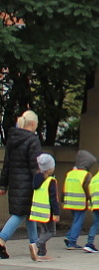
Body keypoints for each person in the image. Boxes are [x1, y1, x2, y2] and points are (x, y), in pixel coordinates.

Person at [0, 110, 45, 259]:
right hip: (28, 183)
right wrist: (41, 183)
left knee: (28, 213)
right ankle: (1, 240)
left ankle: (35, 244)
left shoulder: (12, 139)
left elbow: (6, 164)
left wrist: (3, 185)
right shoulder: (33, 140)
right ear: (32, 124)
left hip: (14, 182)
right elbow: (35, 165)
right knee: (19, 214)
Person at [62, 150, 97, 250]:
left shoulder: (70, 173)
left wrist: (62, 200)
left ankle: (69, 236)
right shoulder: (86, 175)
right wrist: (90, 200)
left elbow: (64, 188)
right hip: (80, 202)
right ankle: (72, 241)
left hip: (69, 201)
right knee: (78, 222)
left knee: (75, 220)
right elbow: (88, 189)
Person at [28, 153, 60, 261]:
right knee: (51, 232)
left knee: (44, 231)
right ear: (50, 168)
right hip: (47, 211)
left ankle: (41, 253)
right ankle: (36, 245)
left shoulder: (36, 179)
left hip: (37, 211)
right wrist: (56, 213)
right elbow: (53, 199)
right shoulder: (50, 181)